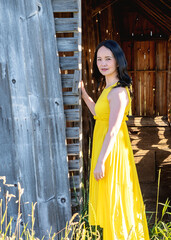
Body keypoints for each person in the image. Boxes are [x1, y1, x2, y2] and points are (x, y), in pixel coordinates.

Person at [81, 40, 150, 239]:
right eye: (99, 59)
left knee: (116, 199)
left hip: (112, 153)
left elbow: (112, 130)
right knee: (110, 200)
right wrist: (84, 94)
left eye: (108, 59)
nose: (102, 63)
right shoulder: (108, 88)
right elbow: (98, 114)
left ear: (117, 62)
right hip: (105, 149)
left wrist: (101, 161)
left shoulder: (119, 92)